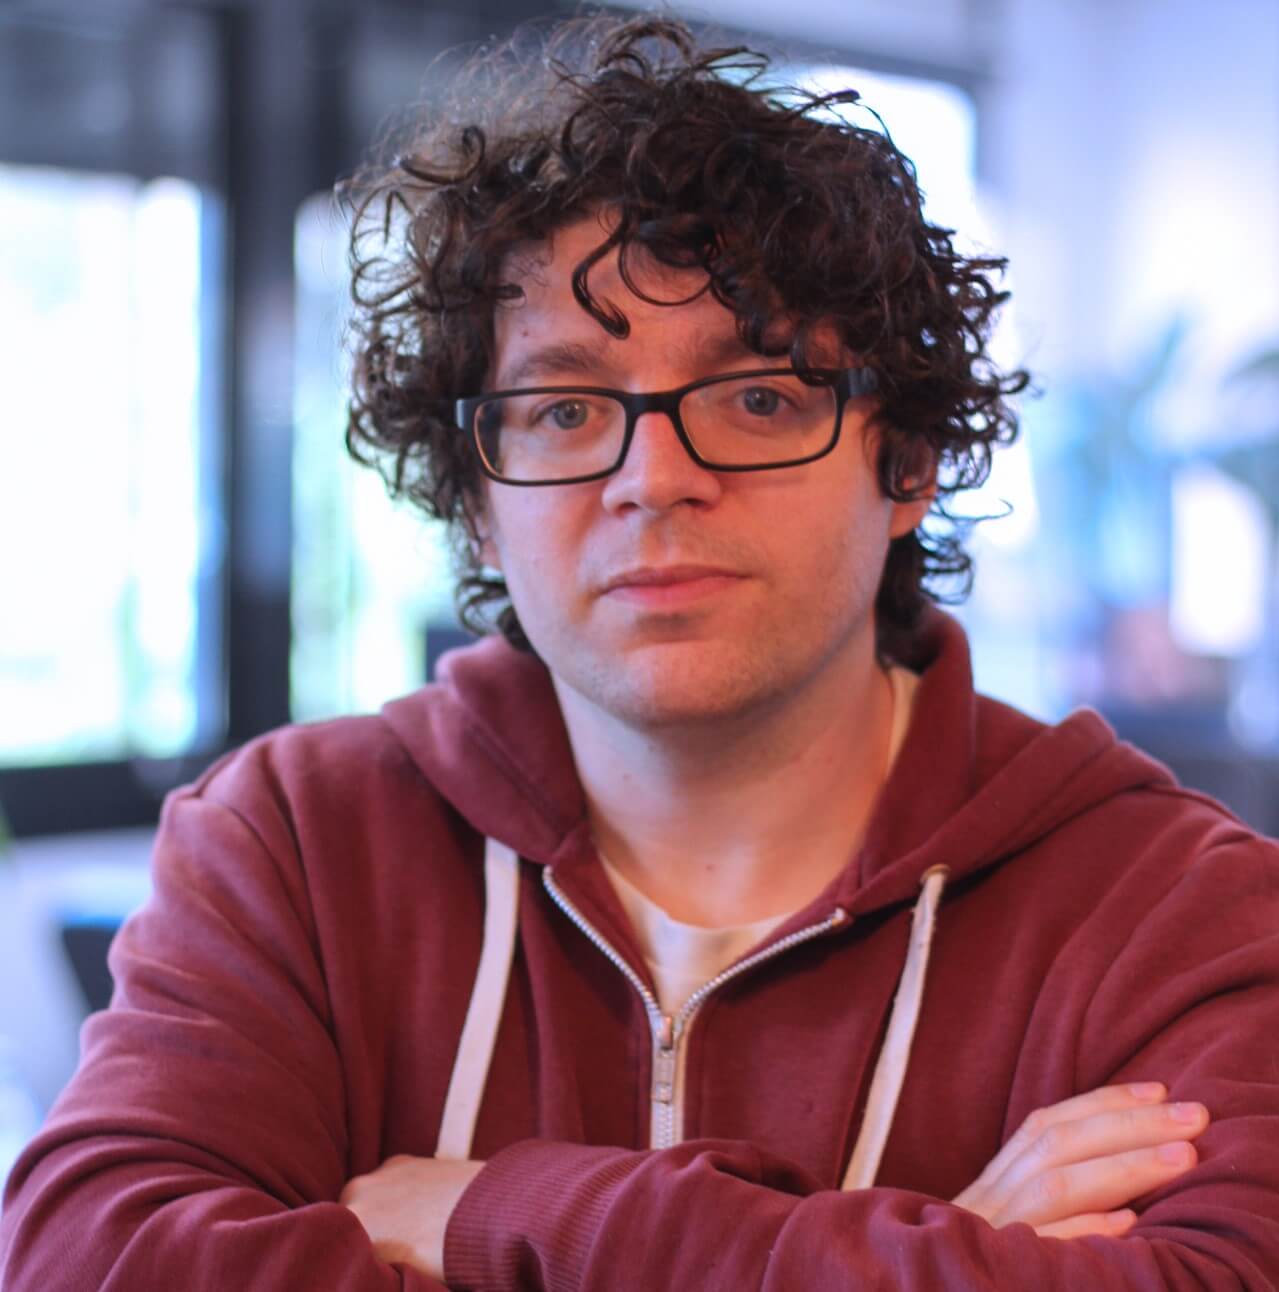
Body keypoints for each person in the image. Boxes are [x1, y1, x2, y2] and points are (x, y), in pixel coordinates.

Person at [3, 15, 1278, 1291]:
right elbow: (83, 1259)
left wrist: (507, 1216)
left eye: (758, 396)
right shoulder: (297, 843)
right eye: (564, 408)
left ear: (906, 463)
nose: (653, 477)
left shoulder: (1168, 905)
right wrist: (924, 1251)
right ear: (476, 503)